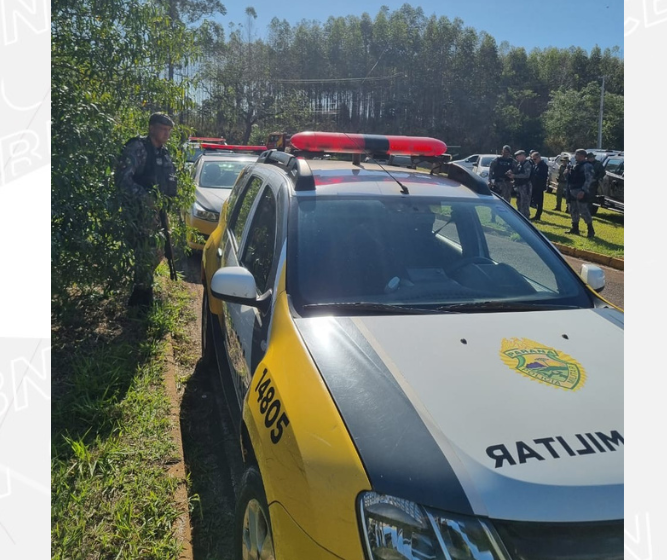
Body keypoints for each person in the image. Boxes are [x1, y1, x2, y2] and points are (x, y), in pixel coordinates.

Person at [115, 112, 178, 307]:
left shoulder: (164, 153)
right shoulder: (138, 148)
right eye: (163, 129)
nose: (166, 134)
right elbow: (121, 179)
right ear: (151, 128)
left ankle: (142, 290)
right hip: (139, 213)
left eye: (169, 130)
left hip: (158, 213)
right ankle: (141, 299)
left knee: (158, 252)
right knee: (144, 253)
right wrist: (146, 198)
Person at [566, 148, 595, 237]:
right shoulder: (576, 165)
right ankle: (575, 228)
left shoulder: (587, 166)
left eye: (577, 155)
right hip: (573, 190)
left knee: (584, 211)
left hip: (580, 191)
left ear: (582, 156)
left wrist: (583, 190)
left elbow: (589, 179)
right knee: (573, 210)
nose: (575, 156)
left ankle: (590, 230)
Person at [510, 150, 533, 219]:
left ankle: (526, 218)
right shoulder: (520, 164)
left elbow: (526, 175)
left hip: (525, 186)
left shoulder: (527, 164)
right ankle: (520, 218)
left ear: (523, 156)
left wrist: (514, 176)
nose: (517, 158)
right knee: (519, 203)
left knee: (525, 203)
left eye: (518, 156)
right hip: (519, 186)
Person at [529, 152, 549, 221]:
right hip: (534, 185)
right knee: (532, 200)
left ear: (539, 157)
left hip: (539, 186)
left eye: (535, 159)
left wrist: (534, 175)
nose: (534, 160)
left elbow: (543, 176)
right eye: (532, 159)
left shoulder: (543, 165)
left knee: (539, 202)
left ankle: (538, 216)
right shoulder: (536, 165)